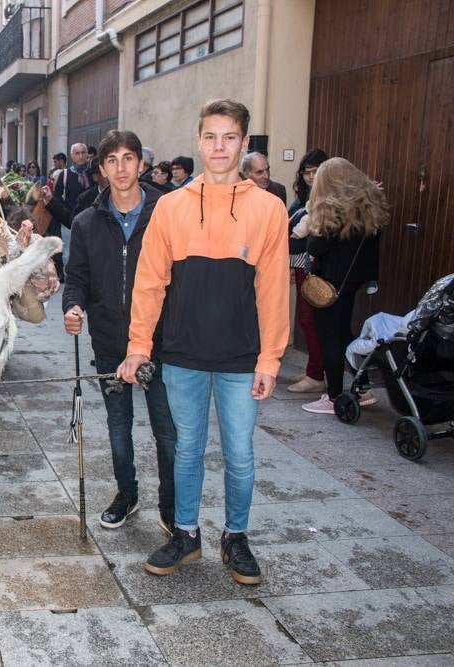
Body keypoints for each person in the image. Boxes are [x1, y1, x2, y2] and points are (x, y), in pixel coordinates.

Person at [121, 99, 289, 586]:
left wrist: (271, 359)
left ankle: (235, 537)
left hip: (242, 357)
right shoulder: (171, 206)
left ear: (243, 143)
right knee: (187, 449)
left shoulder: (268, 209)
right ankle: (187, 533)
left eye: (229, 137)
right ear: (199, 141)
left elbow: (275, 287)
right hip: (182, 354)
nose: (219, 147)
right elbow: (150, 283)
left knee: (239, 454)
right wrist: (139, 346)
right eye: (211, 137)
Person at [63, 130, 177, 535]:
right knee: (118, 426)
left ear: (141, 164)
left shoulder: (167, 212)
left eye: (129, 158)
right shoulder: (86, 222)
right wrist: (72, 307)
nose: (121, 168)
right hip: (110, 342)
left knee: (168, 431)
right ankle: (126, 494)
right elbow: (75, 279)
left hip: (163, 344)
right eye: (112, 160)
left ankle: (170, 504)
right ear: (102, 169)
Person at [301, 158, 388, 415]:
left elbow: (315, 246)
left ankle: (334, 395)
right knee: (343, 333)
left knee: (330, 337)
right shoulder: (368, 206)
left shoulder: (333, 210)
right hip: (354, 280)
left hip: (330, 281)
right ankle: (362, 387)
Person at [284, 148, 330, 393]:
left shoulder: (327, 197)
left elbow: (307, 235)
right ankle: (314, 369)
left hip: (315, 266)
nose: (310, 177)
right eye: (306, 172)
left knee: (310, 320)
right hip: (302, 264)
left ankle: (315, 375)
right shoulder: (304, 197)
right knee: (306, 319)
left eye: (315, 171)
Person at [53, 142, 91, 210]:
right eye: (77, 153)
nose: (81, 156)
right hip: (71, 216)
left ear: (87, 154)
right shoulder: (65, 174)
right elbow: (57, 197)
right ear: (72, 156)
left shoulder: (93, 173)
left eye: (83, 153)